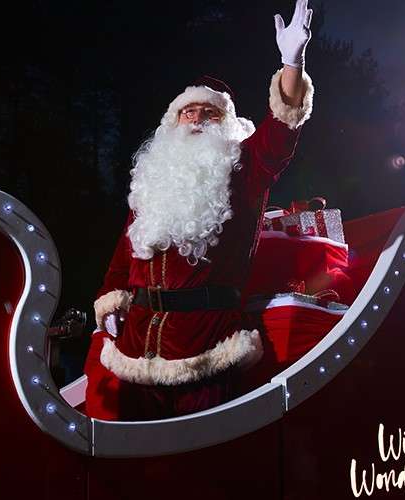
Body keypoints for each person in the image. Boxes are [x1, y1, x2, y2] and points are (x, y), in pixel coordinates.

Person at [85, 0, 315, 421]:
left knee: (204, 456)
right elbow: (123, 259)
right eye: (188, 112)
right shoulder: (153, 180)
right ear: (173, 123)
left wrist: (291, 64)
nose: (196, 120)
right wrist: (109, 300)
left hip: (205, 348)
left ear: (225, 125)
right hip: (136, 348)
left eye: (209, 114)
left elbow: (279, 135)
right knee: (134, 455)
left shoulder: (244, 168)